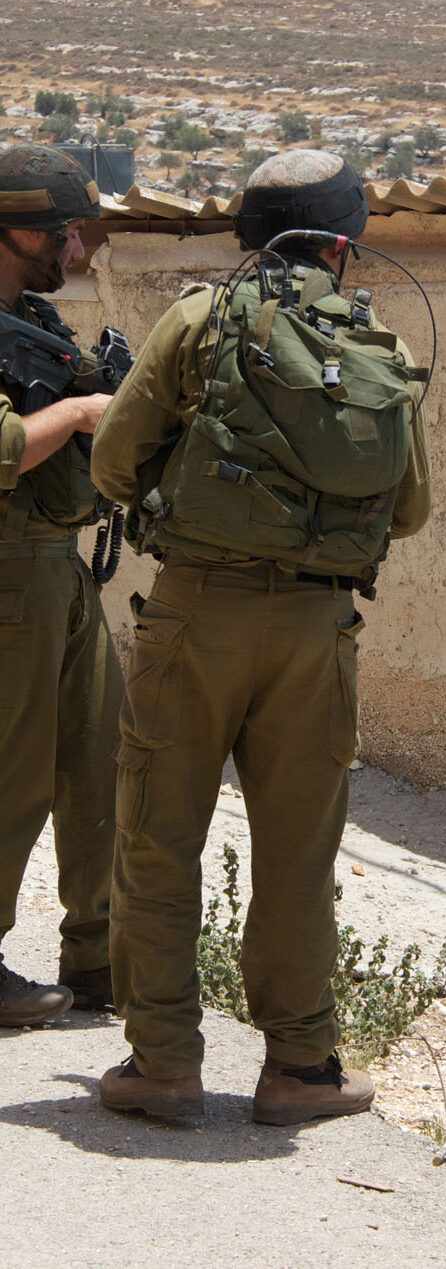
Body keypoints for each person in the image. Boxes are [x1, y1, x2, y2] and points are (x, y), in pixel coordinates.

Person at [90, 150, 432, 1122]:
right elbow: (409, 510)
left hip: (199, 612)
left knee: (159, 836)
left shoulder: (201, 319)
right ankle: (302, 1066)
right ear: (344, 244)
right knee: (298, 852)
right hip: (320, 627)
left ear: (252, 235)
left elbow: (113, 464)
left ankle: (164, 1062)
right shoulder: (376, 343)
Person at [0, 144, 122, 1026]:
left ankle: (101, 956)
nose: (75, 249)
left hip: (62, 567)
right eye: (60, 232)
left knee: (102, 760)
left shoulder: (34, 319)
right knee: (12, 775)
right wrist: (80, 411)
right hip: (9, 574)